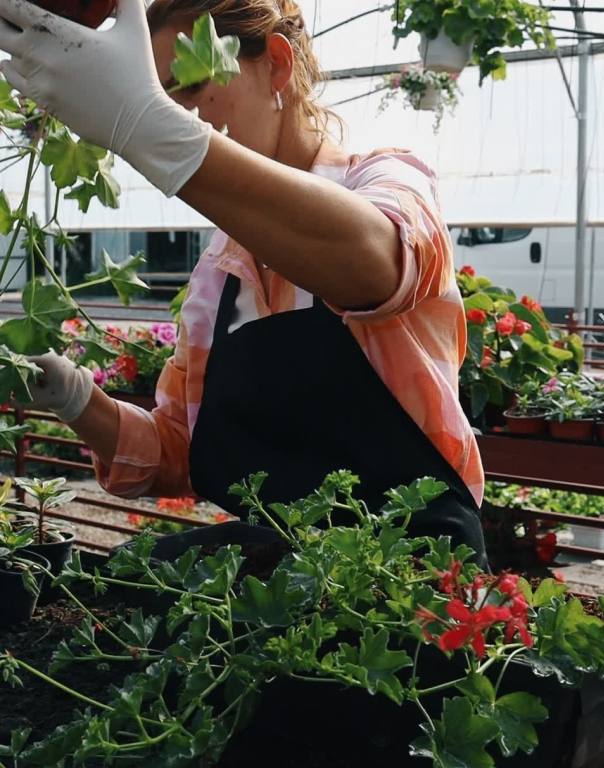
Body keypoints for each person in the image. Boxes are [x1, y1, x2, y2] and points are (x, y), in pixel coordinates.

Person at [0, 0, 486, 562]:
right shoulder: (221, 272)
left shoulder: (386, 180)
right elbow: (179, 448)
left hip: (409, 573)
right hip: (282, 577)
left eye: (190, 83)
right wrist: (77, 399)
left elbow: (373, 261)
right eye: (155, 95)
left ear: (276, 65)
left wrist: (150, 125)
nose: (176, 112)